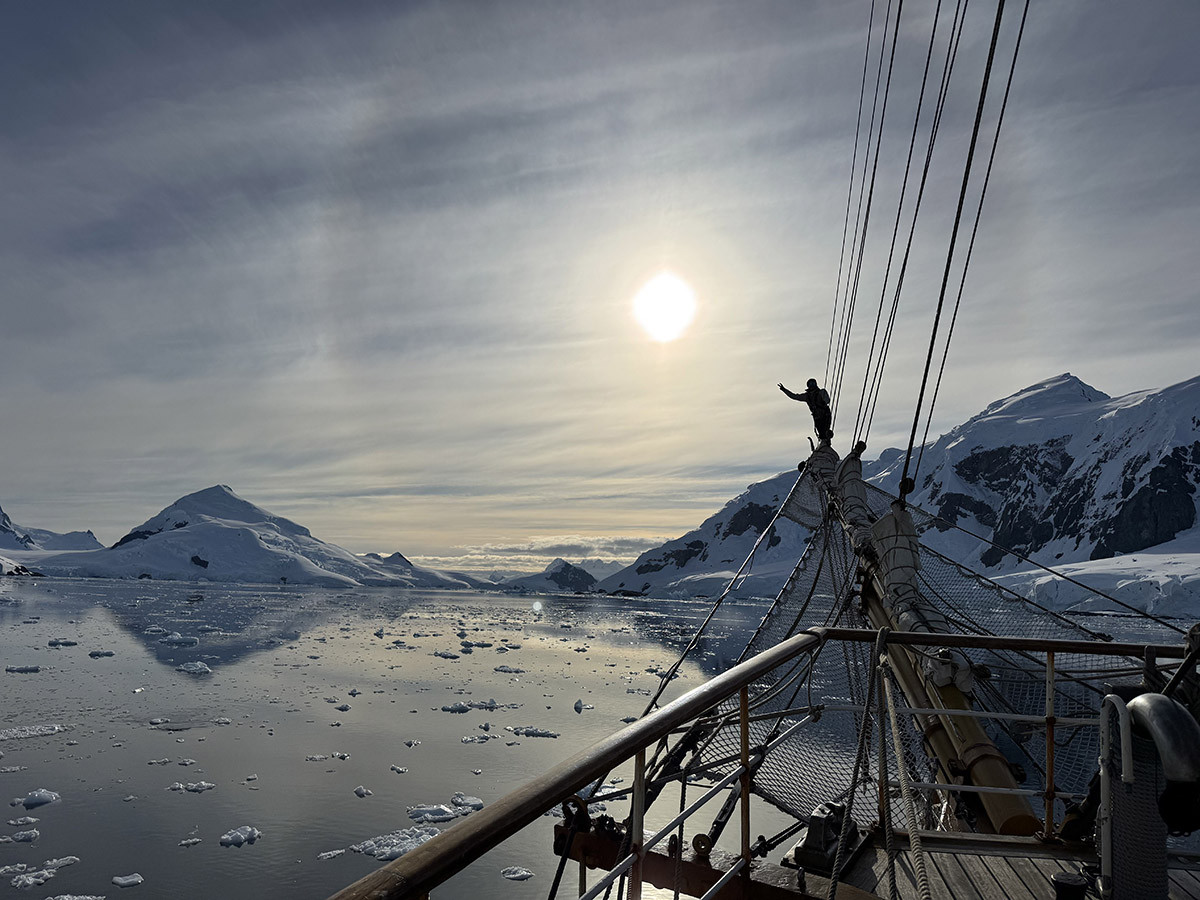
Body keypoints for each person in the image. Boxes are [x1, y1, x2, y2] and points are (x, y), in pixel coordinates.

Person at [779, 378, 833, 443]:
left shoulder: (821, 392)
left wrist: (823, 398)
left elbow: (827, 401)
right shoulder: (807, 396)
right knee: (821, 434)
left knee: (826, 430)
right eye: (810, 384)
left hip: (825, 414)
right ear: (808, 386)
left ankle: (827, 439)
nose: (812, 385)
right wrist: (784, 390)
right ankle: (824, 441)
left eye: (813, 383)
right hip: (817, 417)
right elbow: (794, 396)